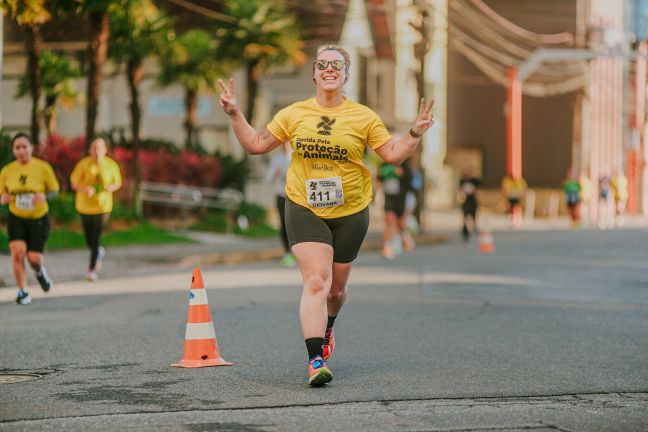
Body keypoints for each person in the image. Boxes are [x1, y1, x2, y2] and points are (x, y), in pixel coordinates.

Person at [217, 44, 434, 386]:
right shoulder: (294, 113)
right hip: (304, 204)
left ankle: (328, 326)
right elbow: (256, 143)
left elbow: (392, 154)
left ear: (346, 74)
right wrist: (234, 114)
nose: (330, 69)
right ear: (315, 73)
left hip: (351, 210)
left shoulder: (363, 116)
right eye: (323, 64)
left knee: (335, 291)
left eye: (337, 64)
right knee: (317, 281)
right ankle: (315, 359)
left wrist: (414, 133)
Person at [0, 132, 59, 305]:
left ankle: (40, 273)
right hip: (16, 216)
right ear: (13, 150)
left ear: (31, 148)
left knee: (33, 258)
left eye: (24, 146)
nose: (21, 151)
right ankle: (23, 292)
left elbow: (54, 190)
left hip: (38, 217)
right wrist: (3, 198)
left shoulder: (42, 167)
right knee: (17, 252)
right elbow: (3, 193)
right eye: (17, 148)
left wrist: (44, 197)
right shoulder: (7, 170)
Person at [70, 137, 122, 281]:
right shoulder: (83, 165)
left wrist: (109, 187)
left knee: (96, 237)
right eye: (94, 148)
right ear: (90, 150)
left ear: (105, 150)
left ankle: (91, 270)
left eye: (100, 148)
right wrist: (84, 189)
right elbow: (74, 183)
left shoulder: (111, 165)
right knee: (89, 239)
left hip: (103, 207)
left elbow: (118, 182)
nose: (97, 151)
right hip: (85, 207)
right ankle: (98, 252)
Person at [377, 158, 415, 259]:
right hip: (389, 199)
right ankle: (387, 247)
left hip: (402, 199)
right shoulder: (383, 165)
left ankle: (405, 236)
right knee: (390, 220)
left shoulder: (403, 163)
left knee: (400, 223)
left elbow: (410, 180)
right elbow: (379, 179)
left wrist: (402, 173)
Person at [265, 141, 295, 266]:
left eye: (287, 143)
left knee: (295, 224)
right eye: (283, 143)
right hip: (281, 196)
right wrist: (275, 173)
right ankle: (287, 252)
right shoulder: (276, 159)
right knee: (284, 224)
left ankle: (296, 251)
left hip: (295, 196)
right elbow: (268, 179)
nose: (285, 145)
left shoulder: (295, 156)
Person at [458, 166, 481, 241]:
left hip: (472, 200)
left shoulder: (473, 180)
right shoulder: (462, 181)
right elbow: (460, 190)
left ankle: (474, 226)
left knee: (473, 214)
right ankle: (465, 231)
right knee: (465, 215)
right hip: (466, 200)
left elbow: (479, 185)